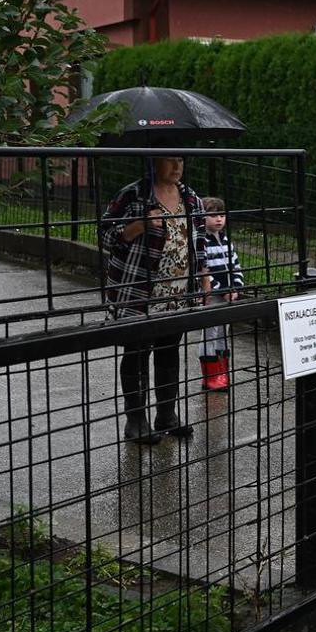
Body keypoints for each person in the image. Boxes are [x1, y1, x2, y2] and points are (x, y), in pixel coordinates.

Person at [101, 155, 209, 445]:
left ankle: (166, 415)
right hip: (139, 292)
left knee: (169, 348)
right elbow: (106, 235)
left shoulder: (191, 198)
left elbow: (199, 244)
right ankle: (136, 421)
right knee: (136, 351)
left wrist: (204, 280)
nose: (177, 166)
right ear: (153, 162)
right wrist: (138, 226)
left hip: (178, 294)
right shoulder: (134, 195)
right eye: (170, 160)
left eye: (181, 160)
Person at [198, 196, 244, 392]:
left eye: (221, 215)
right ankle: (210, 375)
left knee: (223, 332)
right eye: (213, 215)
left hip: (228, 295)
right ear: (202, 217)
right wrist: (222, 290)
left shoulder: (226, 240)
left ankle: (221, 371)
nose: (219, 219)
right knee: (210, 332)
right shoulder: (201, 242)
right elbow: (203, 270)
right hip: (213, 295)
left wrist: (236, 286)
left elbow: (235, 265)